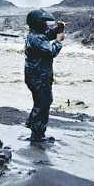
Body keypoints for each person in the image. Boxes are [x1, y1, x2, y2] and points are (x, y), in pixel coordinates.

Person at [24, 9, 64, 142]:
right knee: (43, 103)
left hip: (35, 75)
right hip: (39, 76)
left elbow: (46, 37)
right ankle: (37, 134)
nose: (47, 25)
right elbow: (50, 51)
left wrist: (57, 30)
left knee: (40, 102)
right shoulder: (37, 38)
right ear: (39, 23)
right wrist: (58, 41)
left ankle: (33, 126)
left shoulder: (35, 35)